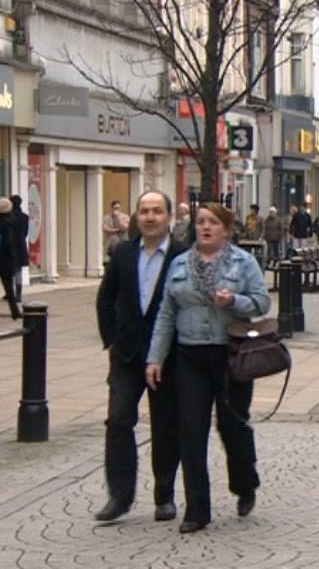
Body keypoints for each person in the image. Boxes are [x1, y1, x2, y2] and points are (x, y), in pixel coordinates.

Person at [145, 202, 270, 534]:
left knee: (233, 426)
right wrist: (155, 358)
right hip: (190, 356)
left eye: (213, 222)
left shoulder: (244, 263)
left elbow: (262, 301)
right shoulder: (178, 265)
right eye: (201, 222)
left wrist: (235, 302)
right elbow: (166, 314)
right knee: (191, 431)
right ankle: (197, 509)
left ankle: (245, 483)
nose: (205, 227)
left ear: (226, 229)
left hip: (231, 355)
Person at [94, 190, 186, 524]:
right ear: (136, 216)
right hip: (127, 355)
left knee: (165, 426)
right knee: (118, 421)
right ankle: (119, 495)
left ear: (168, 217)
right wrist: (112, 341)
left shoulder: (182, 255)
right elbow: (106, 299)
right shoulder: (123, 254)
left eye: (157, 211)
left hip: (167, 358)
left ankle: (164, 496)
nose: (149, 217)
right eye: (144, 211)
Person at [0, 197, 23, 319]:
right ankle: (15, 312)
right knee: (9, 289)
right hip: (5, 260)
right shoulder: (9, 223)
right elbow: (8, 243)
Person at [9, 195, 30, 302]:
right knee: (18, 271)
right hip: (21, 245)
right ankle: (18, 294)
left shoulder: (9, 217)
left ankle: (11, 293)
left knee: (10, 270)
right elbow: (26, 232)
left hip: (11, 245)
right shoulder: (25, 217)